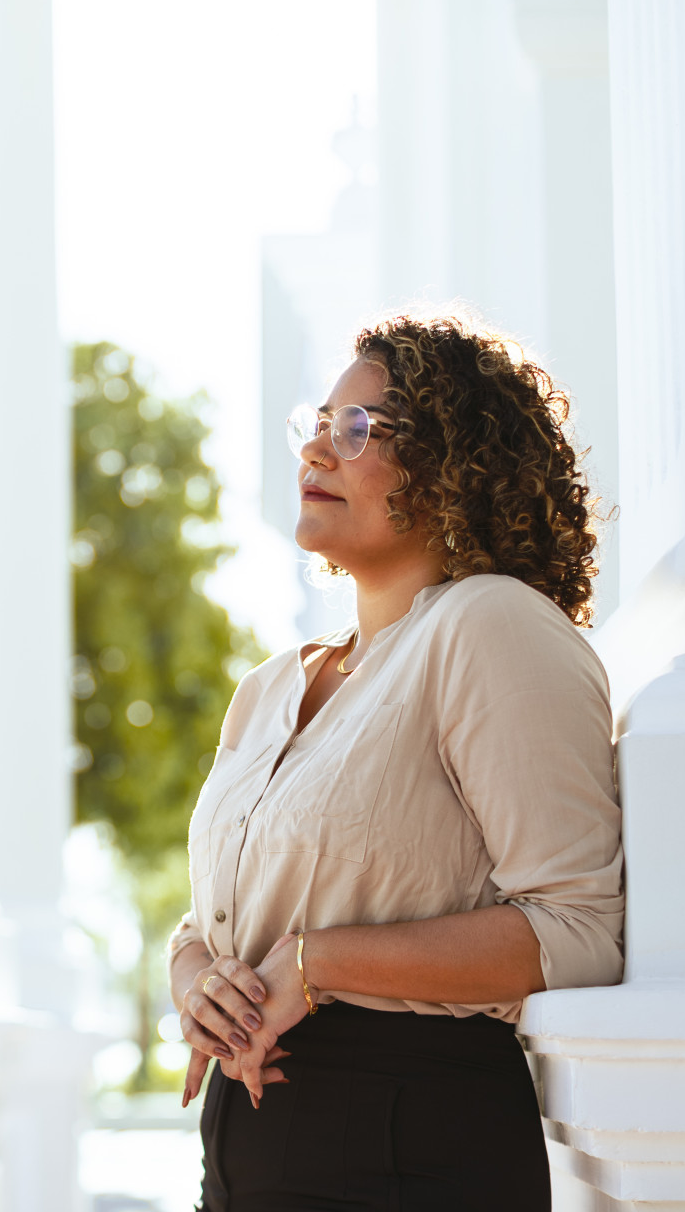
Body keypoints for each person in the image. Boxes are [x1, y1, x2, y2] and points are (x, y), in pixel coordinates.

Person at [167, 310, 624, 1210]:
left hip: (403, 1146)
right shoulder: (268, 689)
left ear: (456, 465)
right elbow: (213, 917)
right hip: (244, 1153)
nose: (317, 453)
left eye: (358, 428)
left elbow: (577, 932)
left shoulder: (487, 626)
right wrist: (200, 983)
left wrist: (316, 963)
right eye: (317, 425)